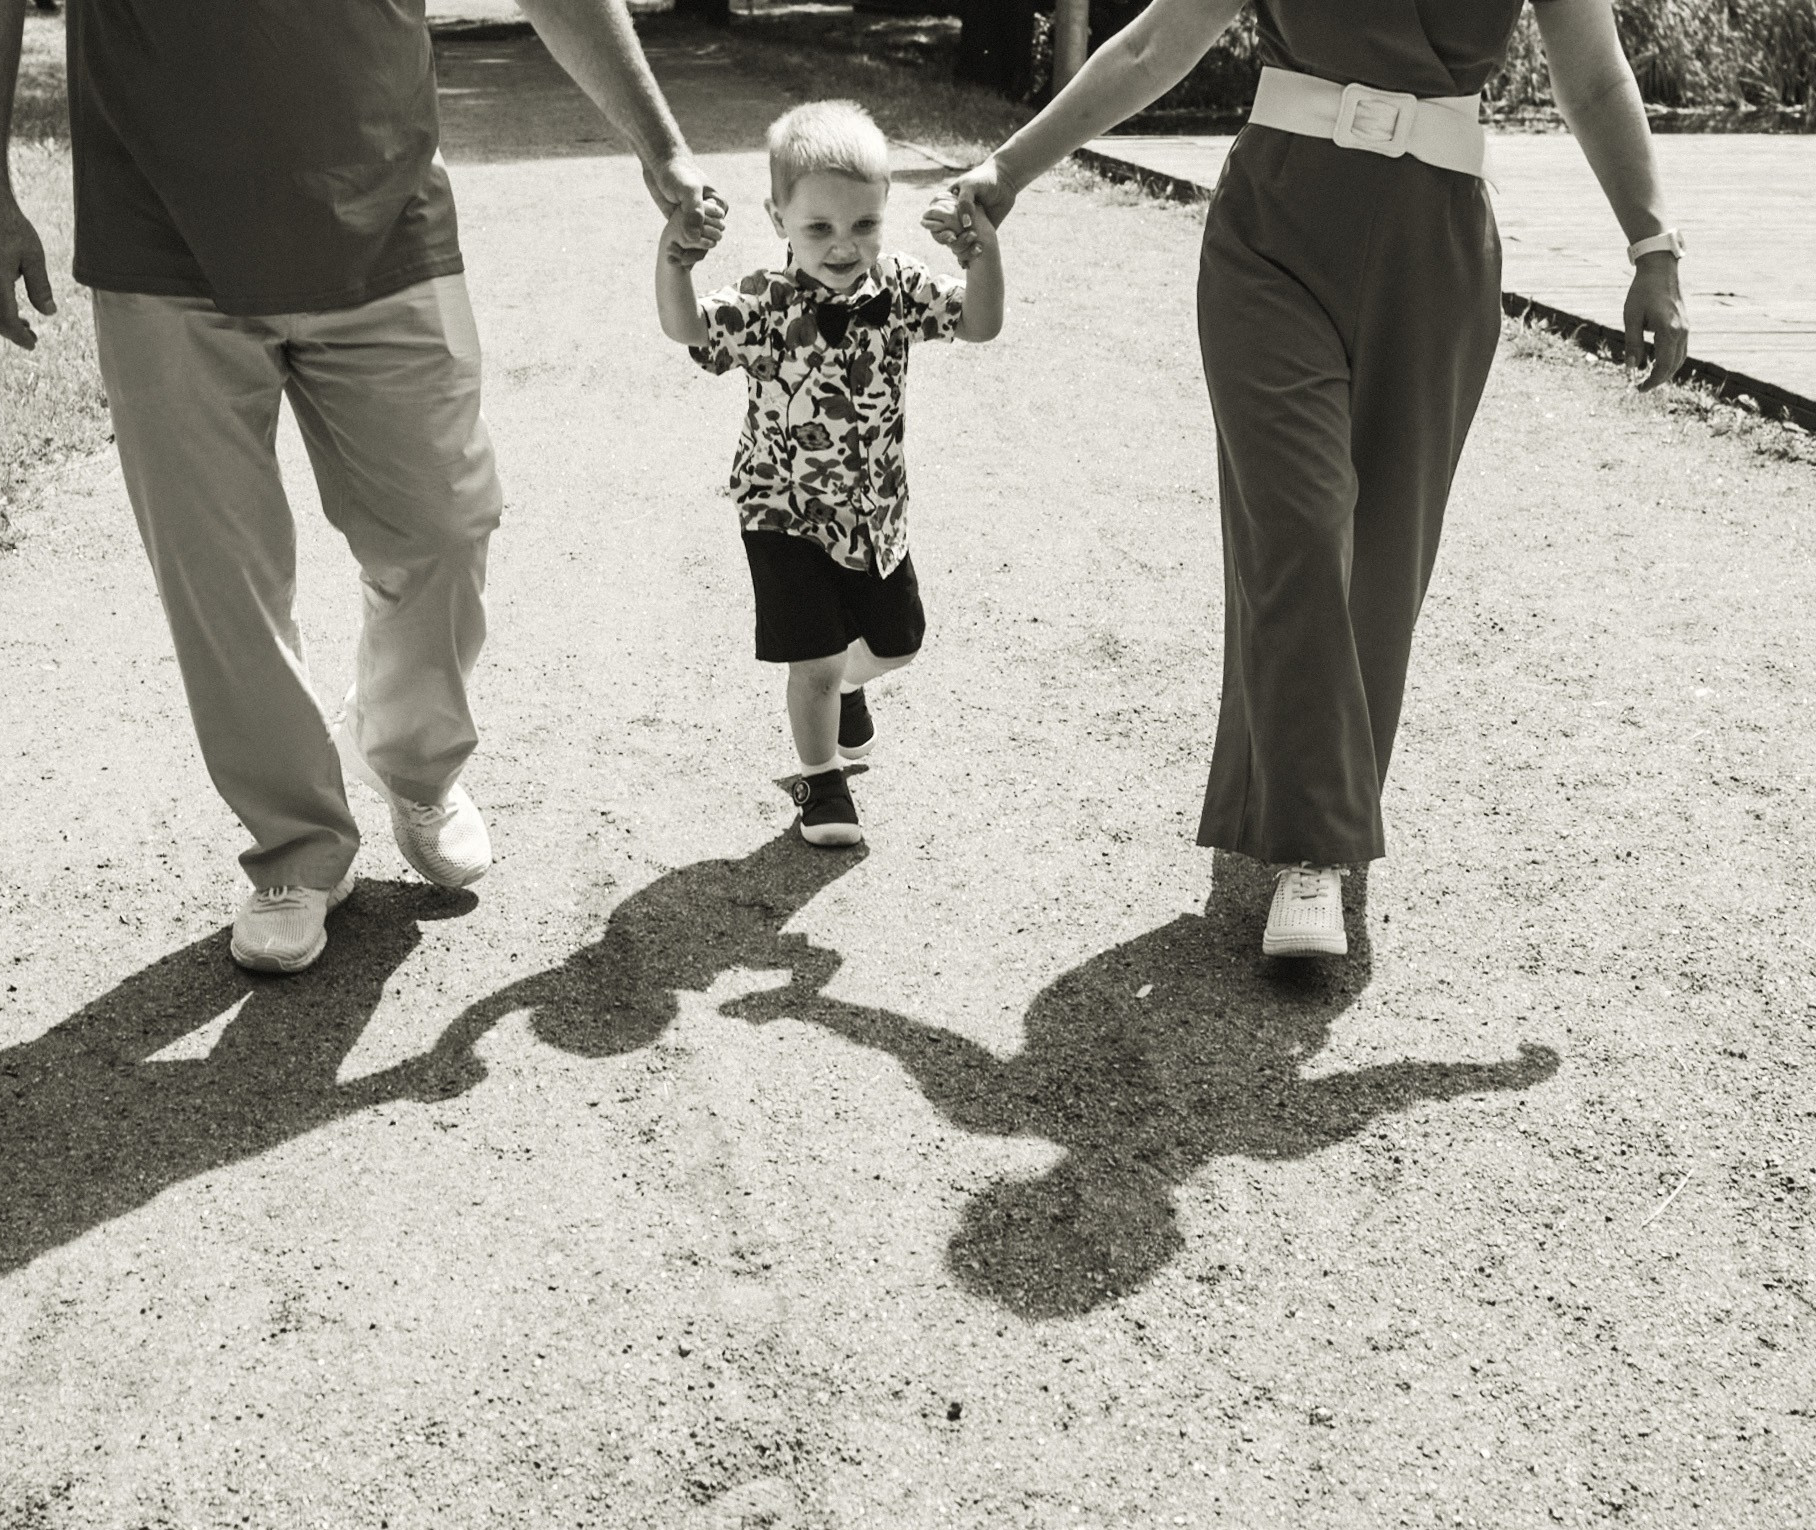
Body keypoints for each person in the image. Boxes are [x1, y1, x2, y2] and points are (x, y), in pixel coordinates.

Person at [0, 0, 726, 974]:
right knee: (217, 575)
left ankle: (412, 754)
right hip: (160, 239)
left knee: (444, 521)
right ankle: (297, 848)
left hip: (386, 217)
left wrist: (661, 147)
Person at [928, 0, 1688, 956]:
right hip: (1273, 236)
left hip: (1435, 248)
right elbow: (1155, 42)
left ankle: (1308, 800)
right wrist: (1009, 169)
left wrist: (1652, 244)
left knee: (1383, 559)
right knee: (1297, 519)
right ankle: (1312, 853)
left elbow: (1595, 76)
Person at [659, 101, 1004, 849]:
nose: (844, 246)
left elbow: (980, 324)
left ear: (885, 216)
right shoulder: (761, 303)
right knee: (810, 660)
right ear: (778, 218)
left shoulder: (901, 289)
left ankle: (848, 686)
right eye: (819, 227)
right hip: (781, 512)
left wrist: (983, 257)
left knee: (901, 641)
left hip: (874, 511)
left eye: (864, 225)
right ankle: (821, 781)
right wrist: (675, 263)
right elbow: (688, 330)